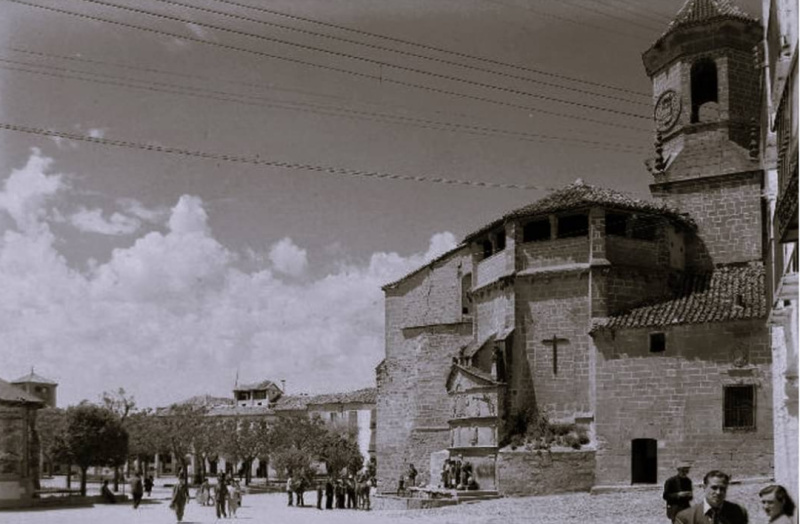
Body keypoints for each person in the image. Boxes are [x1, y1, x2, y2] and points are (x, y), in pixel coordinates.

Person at [675, 470, 748, 524]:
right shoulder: (686, 517)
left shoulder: (738, 512)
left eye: (722, 489)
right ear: (704, 487)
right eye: (714, 488)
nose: (718, 492)